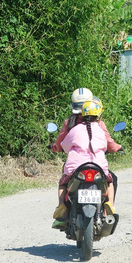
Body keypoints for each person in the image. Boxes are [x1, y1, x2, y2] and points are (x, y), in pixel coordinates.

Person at [51, 98, 121, 229]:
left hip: (76, 168)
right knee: (110, 182)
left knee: (63, 183)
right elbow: (107, 146)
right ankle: (110, 204)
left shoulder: (74, 129)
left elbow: (64, 147)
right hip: (98, 167)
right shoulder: (100, 130)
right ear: (99, 115)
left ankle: (62, 205)